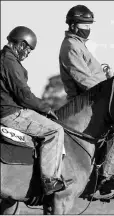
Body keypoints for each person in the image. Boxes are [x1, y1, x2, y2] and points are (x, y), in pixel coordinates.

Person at [59, 5, 114, 194]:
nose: (88, 28)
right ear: (73, 25)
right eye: (85, 24)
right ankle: (106, 179)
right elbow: (83, 79)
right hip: (83, 103)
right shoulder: (71, 46)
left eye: (90, 24)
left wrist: (108, 78)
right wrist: (109, 89)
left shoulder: (79, 45)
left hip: (94, 99)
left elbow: (92, 75)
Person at [0, 26, 73, 195]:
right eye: (28, 50)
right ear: (21, 44)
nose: (28, 54)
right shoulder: (9, 62)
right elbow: (23, 95)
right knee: (55, 130)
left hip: (7, 110)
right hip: (12, 114)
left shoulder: (4, 58)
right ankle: (49, 180)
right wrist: (45, 108)